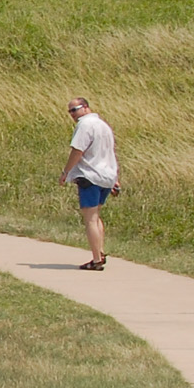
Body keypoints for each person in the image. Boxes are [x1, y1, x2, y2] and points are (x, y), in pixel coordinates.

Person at [60, 97, 120, 270]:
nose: (72, 114)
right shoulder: (103, 125)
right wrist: (114, 178)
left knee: (90, 219)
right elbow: (108, 153)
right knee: (96, 215)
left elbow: (78, 150)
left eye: (75, 109)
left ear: (85, 108)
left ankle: (96, 260)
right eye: (70, 111)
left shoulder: (85, 125)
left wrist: (66, 172)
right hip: (106, 176)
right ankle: (99, 251)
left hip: (90, 176)